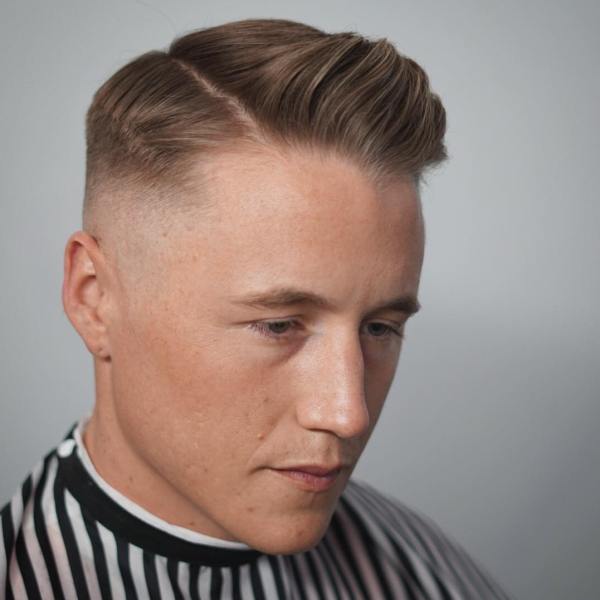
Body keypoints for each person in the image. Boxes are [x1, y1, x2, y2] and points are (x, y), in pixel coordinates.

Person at [0, 17, 512, 600]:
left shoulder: (426, 571)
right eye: (278, 325)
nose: (348, 414)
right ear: (94, 298)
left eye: (379, 327)